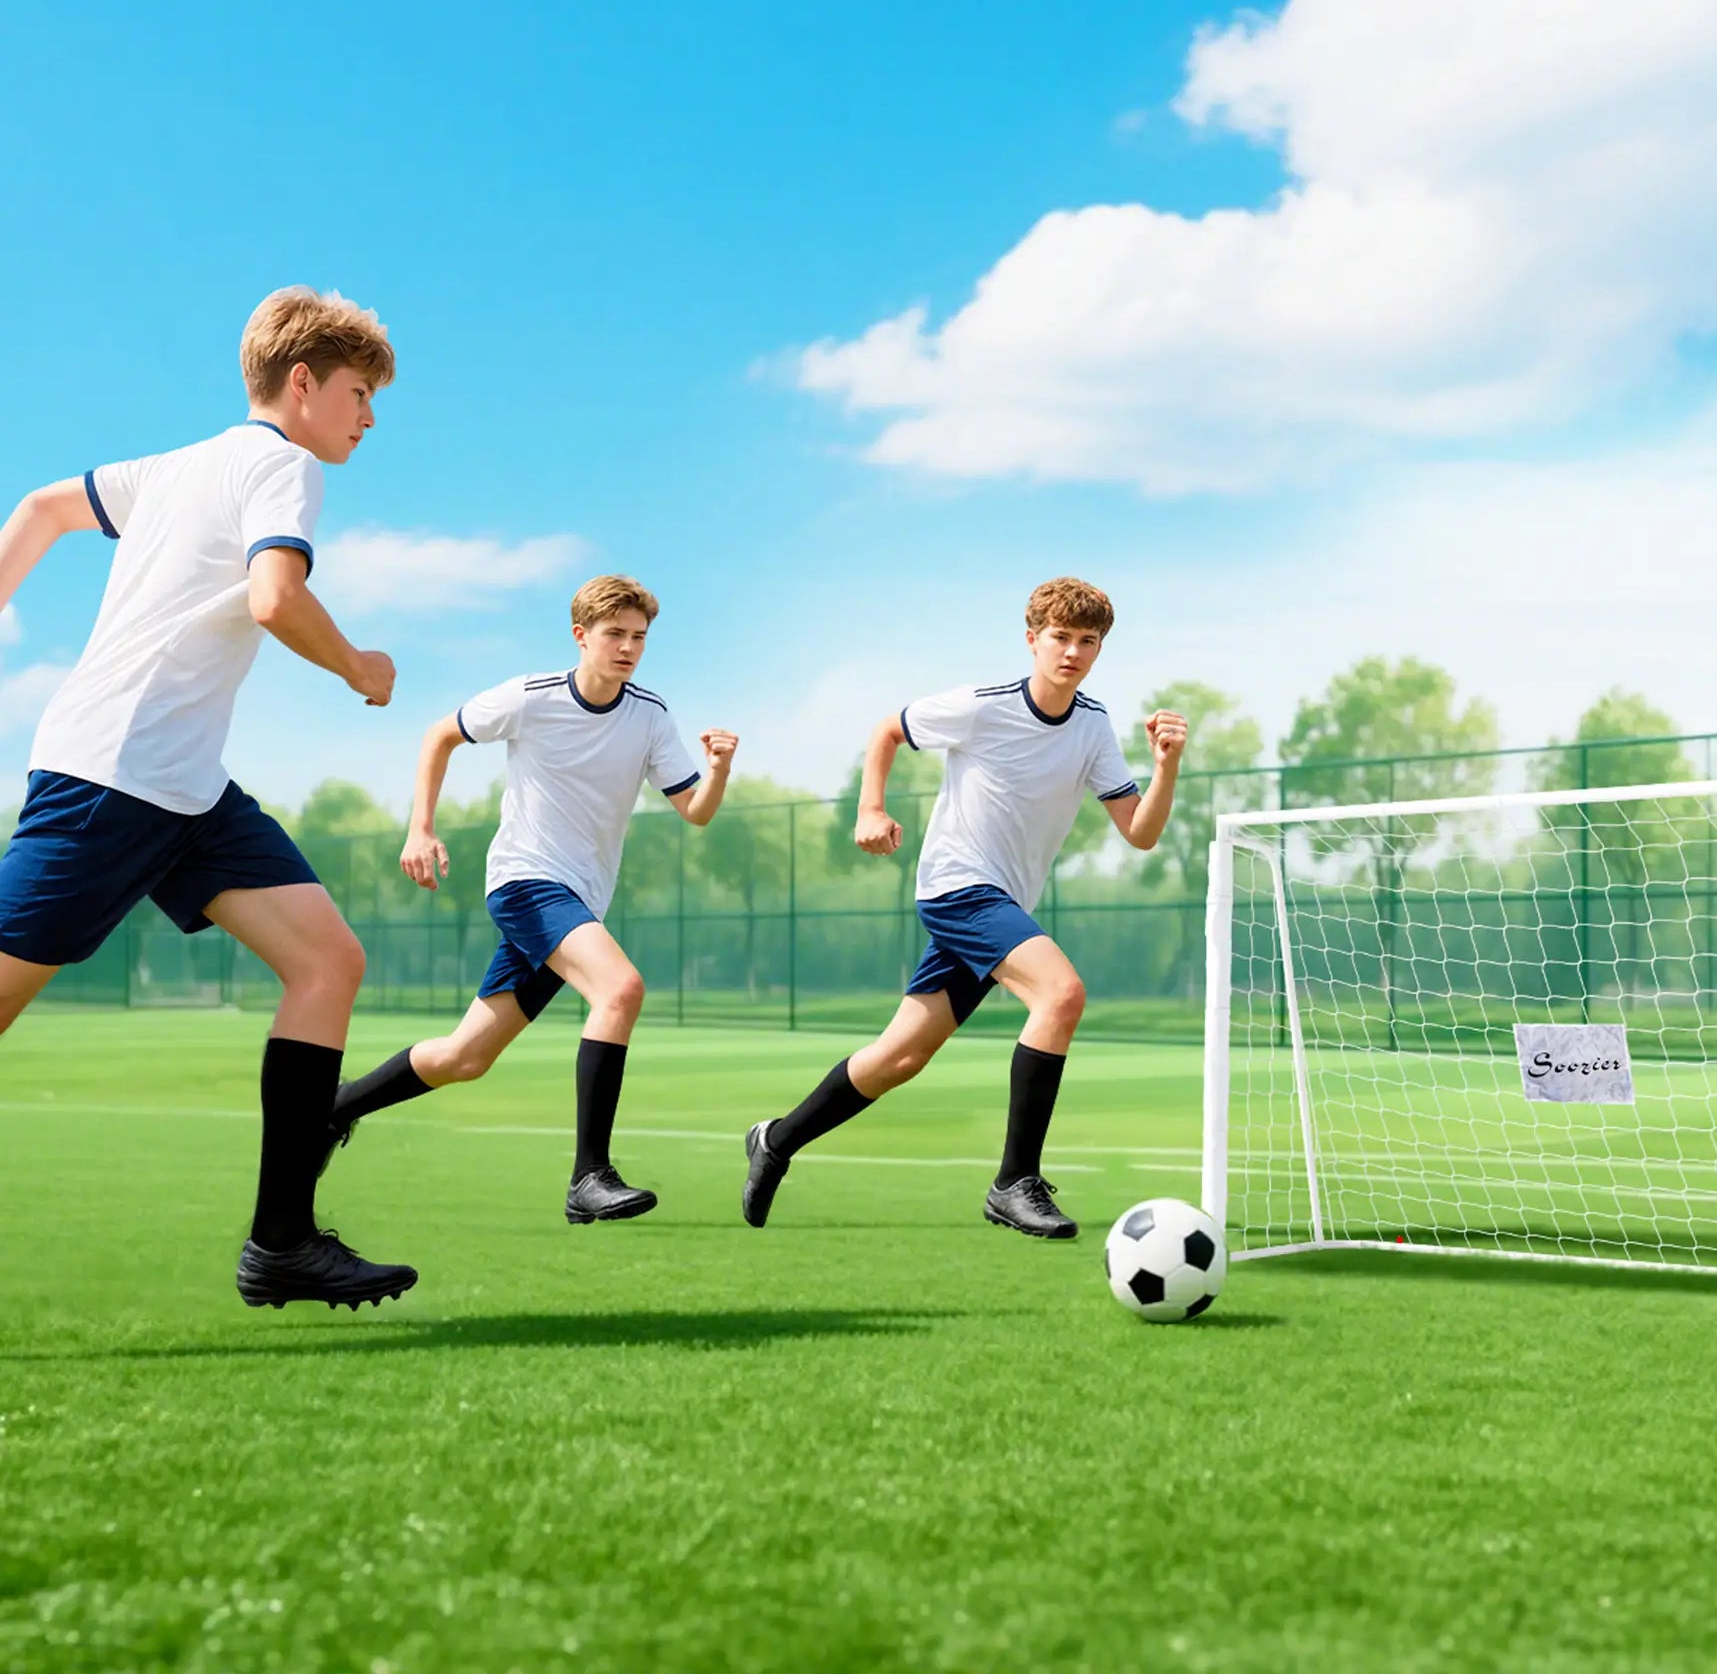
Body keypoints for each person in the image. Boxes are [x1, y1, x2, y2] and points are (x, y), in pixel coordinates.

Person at [0, 286, 416, 1309]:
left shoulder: (178, 464)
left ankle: (282, 1243)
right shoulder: (282, 463)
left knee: (327, 958)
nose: (369, 418)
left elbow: (44, 508)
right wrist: (359, 664)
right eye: (360, 393)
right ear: (304, 381)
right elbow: (275, 597)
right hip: (113, 775)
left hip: (183, 787)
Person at [742, 577, 1187, 1239]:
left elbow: (1140, 832)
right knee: (1060, 994)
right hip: (958, 887)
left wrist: (1166, 766)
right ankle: (1014, 1182)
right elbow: (887, 731)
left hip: (1003, 900)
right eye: (1059, 637)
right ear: (1032, 639)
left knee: (900, 1057)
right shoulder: (982, 707)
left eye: (1086, 641)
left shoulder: (1092, 725)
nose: (1071, 651)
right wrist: (870, 809)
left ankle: (775, 1140)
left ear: (1098, 650)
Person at [324, 575, 737, 1223]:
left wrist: (717, 772)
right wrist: (420, 827)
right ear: (581, 636)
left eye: (639, 638)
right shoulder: (530, 697)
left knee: (466, 1056)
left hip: (581, 901)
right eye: (615, 635)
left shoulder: (651, 715)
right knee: (620, 989)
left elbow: (694, 811)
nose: (628, 648)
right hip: (525, 881)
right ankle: (589, 1176)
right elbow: (440, 736)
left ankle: (336, 1110)